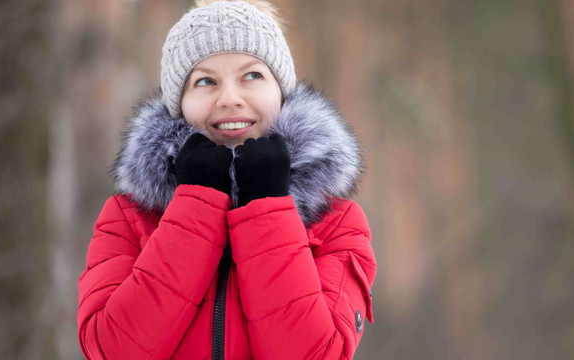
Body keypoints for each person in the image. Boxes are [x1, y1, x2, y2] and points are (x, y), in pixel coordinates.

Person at [77, 0, 376, 359]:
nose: (230, 98)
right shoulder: (127, 218)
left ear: (281, 92)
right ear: (179, 104)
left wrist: (267, 205)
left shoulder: (337, 223)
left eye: (252, 75)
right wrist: (196, 205)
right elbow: (112, 350)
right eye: (206, 81)